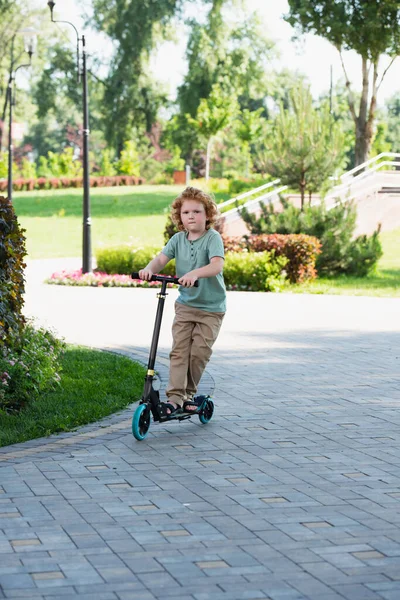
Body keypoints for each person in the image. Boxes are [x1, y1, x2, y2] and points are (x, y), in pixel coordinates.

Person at [139, 186, 226, 415]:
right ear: (180, 216)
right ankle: (176, 399)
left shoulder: (212, 238)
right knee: (179, 352)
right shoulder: (178, 239)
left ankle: (188, 393)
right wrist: (148, 270)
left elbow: (217, 264)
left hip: (211, 308)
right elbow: (161, 259)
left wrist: (195, 273)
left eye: (197, 212)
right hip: (186, 305)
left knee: (198, 352)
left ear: (207, 215)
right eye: (186, 212)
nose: (191, 216)